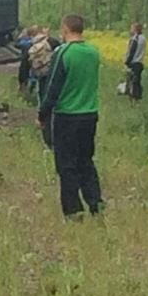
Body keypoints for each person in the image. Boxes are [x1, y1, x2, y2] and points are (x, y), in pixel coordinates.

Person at [38, 14, 103, 220]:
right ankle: (96, 204)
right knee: (85, 160)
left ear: (65, 29)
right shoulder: (93, 52)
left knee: (66, 165)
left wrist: (42, 114)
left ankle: (73, 210)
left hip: (67, 116)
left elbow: (52, 87)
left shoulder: (63, 52)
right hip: (90, 114)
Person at [28, 26, 61, 145]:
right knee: (55, 108)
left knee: (43, 106)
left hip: (41, 79)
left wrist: (25, 82)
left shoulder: (32, 44)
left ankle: (47, 141)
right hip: (54, 76)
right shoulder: (53, 42)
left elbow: (25, 64)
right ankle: (57, 138)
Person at [124, 22, 147, 102]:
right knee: (137, 81)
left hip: (134, 62)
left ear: (135, 30)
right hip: (140, 62)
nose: (130, 30)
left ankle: (133, 99)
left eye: (132, 28)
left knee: (132, 82)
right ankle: (138, 98)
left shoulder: (135, 38)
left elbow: (132, 51)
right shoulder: (143, 38)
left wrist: (127, 62)